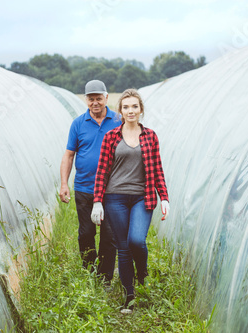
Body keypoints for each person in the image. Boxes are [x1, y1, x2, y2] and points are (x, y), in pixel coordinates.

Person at [91, 88, 170, 314]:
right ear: (121, 111)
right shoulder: (111, 137)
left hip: (142, 197)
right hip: (115, 198)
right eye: (126, 107)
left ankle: (142, 272)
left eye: (134, 106)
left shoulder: (150, 136)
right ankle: (129, 297)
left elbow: (157, 169)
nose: (130, 111)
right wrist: (98, 201)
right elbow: (103, 171)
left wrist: (163, 196)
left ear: (141, 109)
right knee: (123, 248)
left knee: (137, 240)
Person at [59, 80, 121, 284]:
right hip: (85, 188)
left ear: (106, 97)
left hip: (111, 190)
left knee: (109, 235)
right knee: (86, 233)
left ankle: (105, 279)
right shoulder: (78, 123)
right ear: (86, 100)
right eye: (91, 99)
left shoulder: (118, 120)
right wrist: (64, 183)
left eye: (98, 98)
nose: (95, 103)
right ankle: (90, 272)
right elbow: (69, 155)